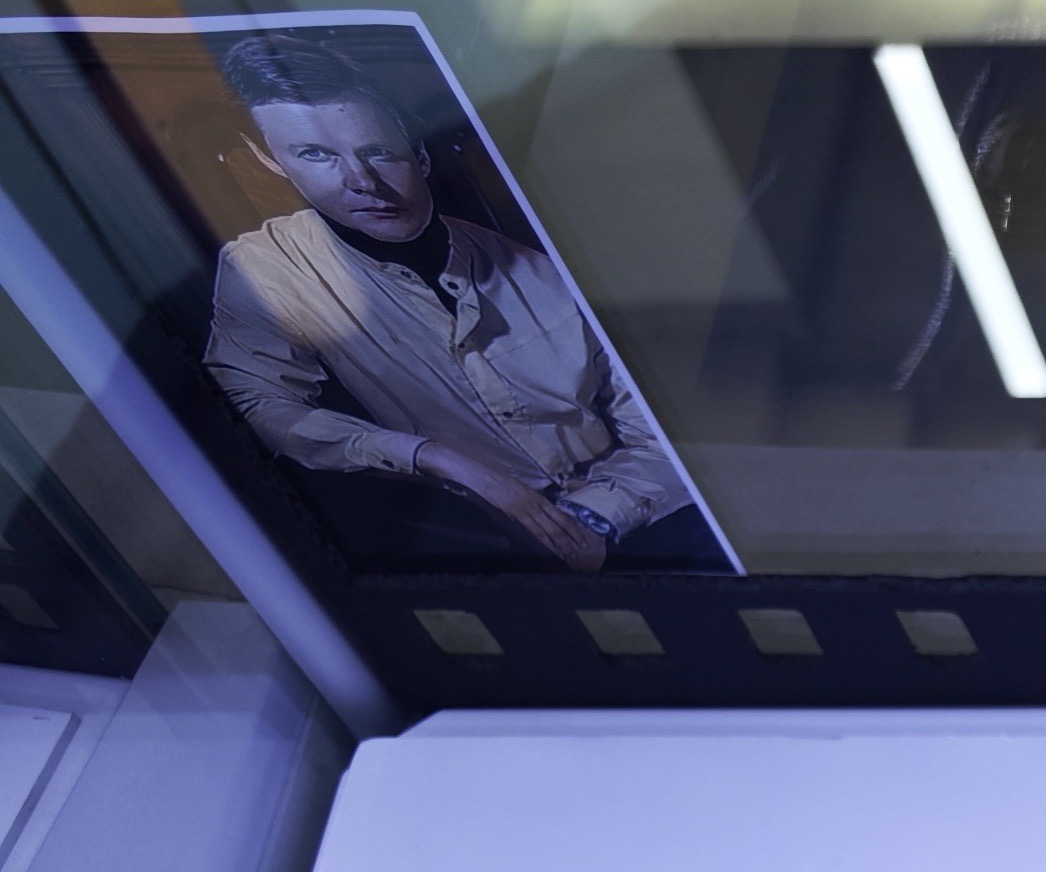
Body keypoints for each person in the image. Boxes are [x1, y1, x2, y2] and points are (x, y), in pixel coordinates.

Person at [199, 35, 709, 575]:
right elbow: (256, 406)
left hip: (639, 513)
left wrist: (591, 520)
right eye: (315, 155)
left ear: (419, 153)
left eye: (377, 151)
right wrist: (437, 459)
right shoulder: (266, 267)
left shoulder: (538, 268)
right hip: (465, 539)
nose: (362, 183)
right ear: (271, 160)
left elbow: (662, 428)